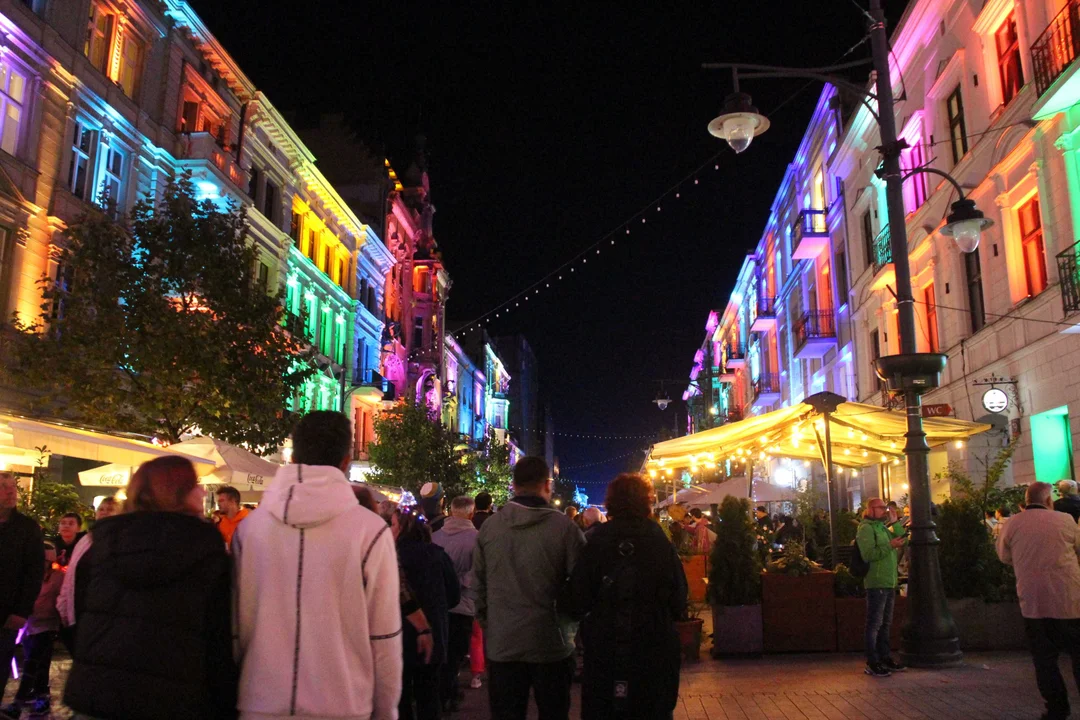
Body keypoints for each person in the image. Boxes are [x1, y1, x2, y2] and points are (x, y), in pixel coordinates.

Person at [232, 411, 401, 720]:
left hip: (261, 702)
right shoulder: (371, 531)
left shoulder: (250, 529)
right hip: (343, 704)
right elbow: (384, 634)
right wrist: (386, 709)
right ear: (346, 461)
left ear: (293, 456)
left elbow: (237, 629)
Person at [63, 456, 237, 719]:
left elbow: (82, 607)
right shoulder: (203, 546)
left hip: (99, 691)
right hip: (171, 695)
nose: (202, 491)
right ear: (177, 493)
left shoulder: (104, 541)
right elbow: (217, 632)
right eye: (194, 485)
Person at [567, 473, 687, 719]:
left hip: (605, 649)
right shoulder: (658, 540)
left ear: (611, 502)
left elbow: (576, 598)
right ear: (647, 501)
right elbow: (679, 598)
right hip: (652, 647)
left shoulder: (596, 540)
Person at [474, 456, 585, 720]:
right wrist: (568, 626)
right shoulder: (565, 529)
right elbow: (582, 587)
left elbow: (478, 586)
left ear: (514, 485)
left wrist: (492, 625)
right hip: (551, 643)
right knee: (554, 712)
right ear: (547, 485)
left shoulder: (490, 528)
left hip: (504, 644)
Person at [997, 481, 1080, 720]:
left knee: (1045, 660)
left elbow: (1004, 556)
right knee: (1077, 654)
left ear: (1026, 500)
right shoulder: (1065, 520)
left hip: (1033, 601)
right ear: (1048, 501)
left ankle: (1056, 708)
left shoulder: (1012, 523)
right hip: (1069, 599)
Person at [395, 509, 459, 720]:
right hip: (433, 633)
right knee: (428, 695)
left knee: (400, 696)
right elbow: (454, 595)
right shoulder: (437, 555)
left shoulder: (392, 555)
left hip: (398, 635)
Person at [3, 542, 65, 718]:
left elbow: (61, 598)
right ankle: (41, 696)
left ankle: (19, 701)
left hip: (47, 624)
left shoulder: (57, 577)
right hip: (29, 625)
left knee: (32, 662)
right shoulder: (30, 576)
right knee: (39, 662)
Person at [0, 472, 44, 704]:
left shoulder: (26, 529)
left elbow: (34, 572)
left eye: (12, 487)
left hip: (7, 614)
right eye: (3, 487)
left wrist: (21, 611)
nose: (10, 491)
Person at [432, 496, 480, 710]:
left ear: (451, 512)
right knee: (456, 653)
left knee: (441, 652)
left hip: (437, 604)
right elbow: (479, 573)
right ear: (471, 513)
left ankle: (445, 692)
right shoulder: (477, 539)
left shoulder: (434, 537)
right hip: (464, 604)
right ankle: (446, 694)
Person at [56, 497, 120, 644]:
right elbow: (72, 574)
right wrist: (63, 604)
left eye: (110, 509)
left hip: (105, 611)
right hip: (80, 607)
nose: (104, 513)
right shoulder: (86, 540)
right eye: (101, 509)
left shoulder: (120, 540)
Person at [856, 497, 907, 677]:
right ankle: (872, 661)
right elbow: (868, 554)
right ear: (870, 509)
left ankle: (885, 657)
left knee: (885, 623)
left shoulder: (882, 528)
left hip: (889, 581)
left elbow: (902, 541)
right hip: (876, 581)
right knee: (874, 624)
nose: (884, 510)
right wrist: (889, 545)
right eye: (881, 508)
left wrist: (895, 523)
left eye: (885, 508)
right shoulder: (866, 529)